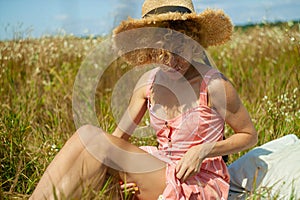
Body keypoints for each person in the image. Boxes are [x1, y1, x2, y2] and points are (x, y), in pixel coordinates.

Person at [30, 0, 258, 199]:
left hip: (195, 183)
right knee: (85, 136)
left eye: (179, 52)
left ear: (193, 42)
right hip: (159, 170)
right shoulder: (147, 84)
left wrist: (203, 150)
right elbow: (115, 140)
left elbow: (249, 136)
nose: (171, 62)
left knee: (95, 141)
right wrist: (118, 174)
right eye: (161, 53)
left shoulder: (214, 85)